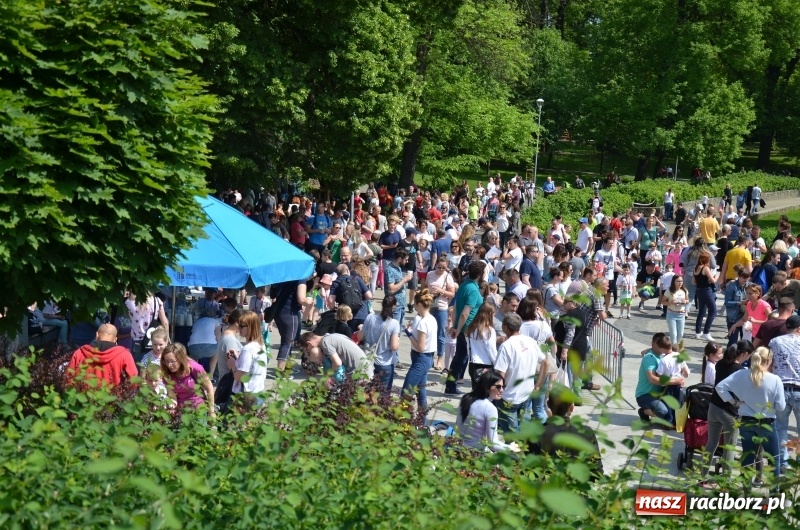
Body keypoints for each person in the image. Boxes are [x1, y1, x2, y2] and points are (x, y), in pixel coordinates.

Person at [715, 347, 786, 477]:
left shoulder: (741, 374)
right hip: (767, 422)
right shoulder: (775, 379)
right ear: (769, 360)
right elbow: (780, 406)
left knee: (747, 458)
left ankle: (746, 489)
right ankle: (774, 492)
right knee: (773, 458)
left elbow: (720, 387)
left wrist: (734, 402)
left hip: (746, 421)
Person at [530, 387, 604, 479]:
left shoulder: (537, 435)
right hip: (578, 490)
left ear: (548, 404)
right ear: (572, 407)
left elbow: (530, 473)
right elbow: (597, 472)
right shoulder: (587, 432)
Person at [493, 313, 549, 433]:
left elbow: (500, 374)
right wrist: (537, 385)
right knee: (523, 432)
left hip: (509, 397)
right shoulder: (530, 341)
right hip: (526, 393)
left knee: (512, 436)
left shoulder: (506, 346)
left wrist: (496, 391)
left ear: (506, 327)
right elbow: (546, 363)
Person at [705, 341, 754, 475]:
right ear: (744, 354)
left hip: (713, 407)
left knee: (711, 444)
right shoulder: (739, 371)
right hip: (729, 412)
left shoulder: (721, 363)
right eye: (749, 355)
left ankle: (701, 476)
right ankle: (726, 481)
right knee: (729, 448)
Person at [445, 261, 486, 395]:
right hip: (468, 328)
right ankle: (451, 385)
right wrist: (458, 329)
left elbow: (456, 307)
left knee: (460, 357)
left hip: (462, 327)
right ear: (480, 274)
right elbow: (465, 312)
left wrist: (455, 326)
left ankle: (451, 384)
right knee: (462, 358)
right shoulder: (474, 290)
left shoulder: (464, 285)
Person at [767, 315, 800, 475]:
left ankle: (783, 461)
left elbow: (770, 364)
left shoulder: (775, 342)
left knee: (781, 428)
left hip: (780, 388)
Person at [456, 370, 520, 453]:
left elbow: (457, 426)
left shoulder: (466, 398)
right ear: (487, 387)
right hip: (475, 452)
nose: (502, 390)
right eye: (498, 387)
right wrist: (511, 448)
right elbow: (493, 444)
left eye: (503, 386)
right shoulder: (490, 408)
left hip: (458, 446)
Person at [66, 324, 137, 388]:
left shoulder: (80, 353)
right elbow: (134, 380)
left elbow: (69, 378)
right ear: (115, 339)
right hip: (112, 398)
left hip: (84, 398)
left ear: (97, 335)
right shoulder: (124, 354)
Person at [635, 334, 683, 426]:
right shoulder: (649, 358)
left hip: (661, 392)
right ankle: (644, 412)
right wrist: (675, 381)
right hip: (645, 395)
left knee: (682, 396)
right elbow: (653, 379)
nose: (662, 348)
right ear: (653, 344)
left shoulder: (663, 354)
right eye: (659, 346)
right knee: (664, 412)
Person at [401, 290, 437, 411]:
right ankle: (422, 423)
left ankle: (402, 422)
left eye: (415, 305)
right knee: (421, 394)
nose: (414, 307)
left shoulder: (423, 323)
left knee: (406, 393)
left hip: (420, 359)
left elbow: (421, 347)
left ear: (419, 305)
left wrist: (409, 334)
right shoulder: (432, 319)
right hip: (427, 358)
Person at [357, 294, 401, 392]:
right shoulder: (394, 324)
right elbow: (394, 346)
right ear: (394, 306)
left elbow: (360, 337)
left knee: (368, 391)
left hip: (369, 360)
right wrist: (398, 341)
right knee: (383, 394)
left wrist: (361, 329)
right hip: (385, 362)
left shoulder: (370, 317)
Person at [160, 342, 215, 416]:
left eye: (172, 361)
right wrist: (172, 407)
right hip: (181, 412)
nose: (169, 365)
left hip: (199, 410)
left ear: (180, 359)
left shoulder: (195, 368)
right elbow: (172, 395)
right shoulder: (167, 374)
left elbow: (209, 388)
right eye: (166, 361)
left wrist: (212, 412)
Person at [299, 331, 374, 383]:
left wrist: (328, 377)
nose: (309, 351)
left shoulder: (325, 343)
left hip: (359, 373)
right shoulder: (331, 336)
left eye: (307, 350)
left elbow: (337, 363)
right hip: (367, 368)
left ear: (309, 343)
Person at [270, 279, 307, 378]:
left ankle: (286, 367)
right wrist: (309, 301)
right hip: (290, 313)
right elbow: (301, 299)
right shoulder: (300, 280)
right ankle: (280, 372)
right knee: (287, 342)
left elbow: (272, 295)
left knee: (287, 341)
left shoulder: (283, 277)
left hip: (279, 312)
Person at [425, 256, 457, 371]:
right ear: (435, 265)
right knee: (428, 332)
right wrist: (428, 293)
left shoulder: (448, 277)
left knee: (440, 334)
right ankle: (429, 359)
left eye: (444, 268)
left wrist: (441, 291)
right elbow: (424, 288)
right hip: (429, 306)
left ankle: (439, 358)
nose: (441, 270)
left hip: (442, 307)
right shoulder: (430, 274)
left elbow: (452, 294)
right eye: (439, 267)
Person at [125, 292, 169, 363]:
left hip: (137, 341)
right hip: (154, 340)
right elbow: (165, 323)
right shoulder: (157, 300)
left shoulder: (128, 302)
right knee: (155, 366)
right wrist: (166, 338)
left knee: (139, 367)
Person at [465, 303, 498, 385]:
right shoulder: (489, 330)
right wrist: (497, 363)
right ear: (489, 315)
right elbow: (491, 349)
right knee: (485, 393)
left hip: (472, 363)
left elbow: (468, 346)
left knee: (475, 390)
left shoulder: (471, 328)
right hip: (485, 364)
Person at [186, 310, 222, 375]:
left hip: (194, 348)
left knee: (193, 357)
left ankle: (194, 374)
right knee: (216, 352)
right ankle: (211, 374)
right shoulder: (215, 321)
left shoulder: (196, 322)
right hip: (210, 349)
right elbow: (219, 338)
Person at [693, 252, 718, 341]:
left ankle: (698, 332)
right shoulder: (705, 268)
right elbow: (713, 280)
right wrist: (716, 276)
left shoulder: (695, 268)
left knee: (701, 312)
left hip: (699, 290)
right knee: (713, 311)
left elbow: (693, 282)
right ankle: (706, 332)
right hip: (707, 290)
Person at [215, 308, 244, 381]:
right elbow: (235, 366)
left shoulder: (227, 336)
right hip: (230, 384)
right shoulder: (230, 341)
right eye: (246, 324)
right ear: (237, 323)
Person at [661, 275, 689, 347]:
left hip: (681, 314)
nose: (680, 283)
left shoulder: (684, 290)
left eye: (681, 281)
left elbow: (687, 300)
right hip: (671, 314)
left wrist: (685, 301)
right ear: (674, 282)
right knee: (673, 334)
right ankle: (674, 350)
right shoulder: (669, 291)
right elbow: (663, 301)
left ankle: (674, 347)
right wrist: (671, 303)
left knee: (680, 334)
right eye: (678, 281)